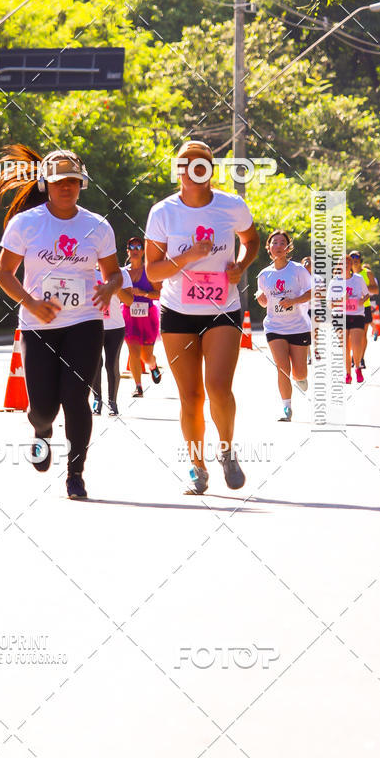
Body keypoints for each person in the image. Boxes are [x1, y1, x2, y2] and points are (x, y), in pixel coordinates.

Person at [0, 144, 122, 500]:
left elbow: (113, 274)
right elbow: (3, 272)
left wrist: (109, 288)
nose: (66, 187)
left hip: (85, 321)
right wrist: (32, 303)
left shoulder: (97, 226)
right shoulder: (26, 224)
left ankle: (75, 473)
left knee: (76, 397)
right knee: (43, 407)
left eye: (72, 181)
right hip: (38, 325)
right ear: (45, 185)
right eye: (59, 181)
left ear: (82, 184)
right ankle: (41, 430)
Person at [145, 139, 259, 494]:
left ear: (210, 169)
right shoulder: (163, 212)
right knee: (191, 396)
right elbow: (152, 271)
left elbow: (252, 240)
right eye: (184, 163)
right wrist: (189, 256)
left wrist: (241, 265)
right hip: (177, 311)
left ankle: (226, 450)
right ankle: (197, 466)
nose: (192, 170)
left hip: (222, 308)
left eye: (200, 164)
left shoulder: (231, 205)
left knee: (218, 388)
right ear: (177, 169)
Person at [256, 233, 312, 422]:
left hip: (298, 327)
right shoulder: (264, 275)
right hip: (274, 327)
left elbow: (313, 292)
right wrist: (261, 299)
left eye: (282, 243)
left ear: (288, 248)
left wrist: (294, 301)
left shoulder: (298, 270)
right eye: (274, 242)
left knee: (299, 372)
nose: (278, 246)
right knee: (282, 368)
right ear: (268, 248)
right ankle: (287, 407)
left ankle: (301, 377)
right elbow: (264, 302)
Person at [122, 236, 162, 397]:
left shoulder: (149, 271)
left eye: (138, 247)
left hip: (148, 317)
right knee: (133, 351)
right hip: (129, 316)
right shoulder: (123, 272)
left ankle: (153, 364)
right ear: (127, 251)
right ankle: (138, 387)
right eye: (132, 247)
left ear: (143, 251)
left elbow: (159, 293)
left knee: (146, 356)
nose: (135, 250)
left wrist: (143, 293)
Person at [92, 265, 133, 416]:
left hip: (115, 327)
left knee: (111, 364)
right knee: (95, 364)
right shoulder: (88, 270)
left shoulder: (122, 273)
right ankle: (97, 400)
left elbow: (129, 301)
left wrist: (114, 286)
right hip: (93, 326)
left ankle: (112, 403)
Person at [327, 254, 369, 383]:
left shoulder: (358, 279)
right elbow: (329, 304)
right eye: (342, 263)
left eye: (347, 263)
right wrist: (341, 300)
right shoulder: (334, 282)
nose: (345, 265)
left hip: (357, 314)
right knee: (345, 346)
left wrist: (362, 300)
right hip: (339, 315)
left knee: (356, 344)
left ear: (351, 265)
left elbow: (367, 295)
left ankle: (357, 368)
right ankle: (348, 373)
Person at [349, 250, 378, 368]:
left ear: (360, 260)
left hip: (364, 307)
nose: (354, 260)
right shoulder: (346, 273)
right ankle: (354, 356)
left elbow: (376, 290)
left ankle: (360, 358)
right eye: (352, 258)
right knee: (350, 336)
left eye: (357, 258)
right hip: (349, 308)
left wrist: (362, 287)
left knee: (362, 334)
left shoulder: (367, 273)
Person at [300, 256, 323, 363]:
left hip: (316, 308)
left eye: (310, 262)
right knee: (306, 331)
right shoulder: (299, 277)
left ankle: (316, 349)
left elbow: (323, 293)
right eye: (306, 262)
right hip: (303, 309)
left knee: (315, 331)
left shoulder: (318, 278)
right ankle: (308, 355)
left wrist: (315, 294)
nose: (308, 264)